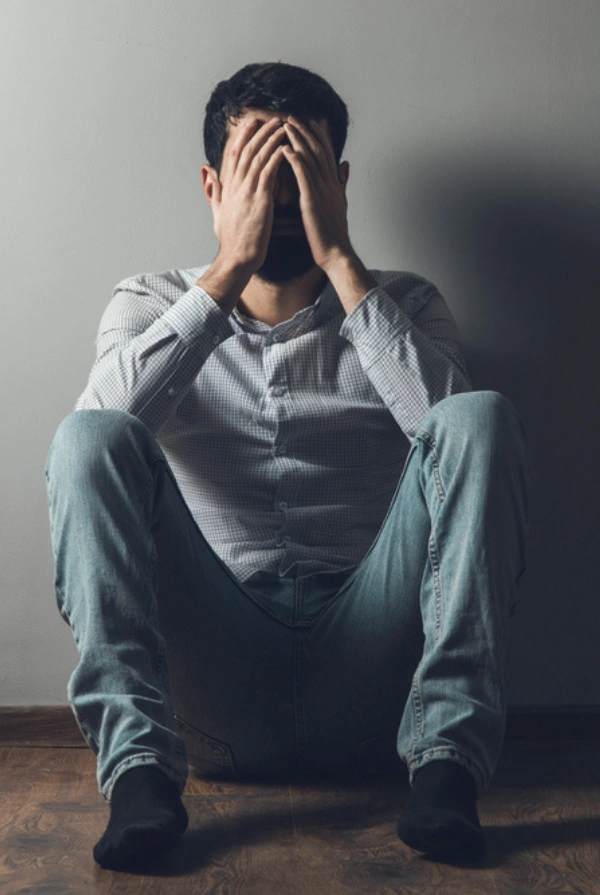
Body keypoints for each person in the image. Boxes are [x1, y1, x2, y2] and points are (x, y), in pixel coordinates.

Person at [45, 61, 530, 872]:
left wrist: (340, 260)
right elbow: (94, 448)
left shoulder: (407, 304)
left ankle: (449, 766)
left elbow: (461, 446)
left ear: (339, 183)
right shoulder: (146, 305)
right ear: (212, 186)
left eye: (299, 172)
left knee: (480, 414)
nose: (277, 200)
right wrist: (226, 273)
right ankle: (137, 777)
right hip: (213, 692)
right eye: (257, 175)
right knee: (86, 435)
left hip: (382, 690)